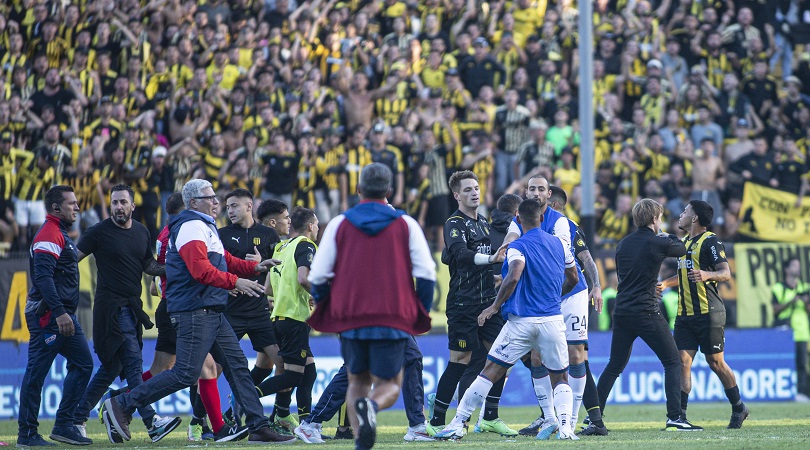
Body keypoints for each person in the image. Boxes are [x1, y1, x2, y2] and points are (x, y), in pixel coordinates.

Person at [101, 179, 295, 444]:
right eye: (210, 197)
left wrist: (254, 269)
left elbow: (224, 259)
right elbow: (200, 270)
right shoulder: (192, 226)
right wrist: (235, 281)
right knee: (185, 373)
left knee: (237, 365)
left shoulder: (203, 225)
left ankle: (258, 425)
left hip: (210, 309)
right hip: (195, 309)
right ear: (194, 202)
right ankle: (122, 403)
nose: (217, 202)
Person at [308, 163, 436, 450]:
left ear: (358, 190)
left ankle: (361, 444)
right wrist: (419, 311)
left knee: (356, 381)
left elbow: (317, 276)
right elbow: (427, 274)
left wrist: (331, 304)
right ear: (389, 190)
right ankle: (372, 407)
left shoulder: (339, 224)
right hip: (392, 316)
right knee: (389, 384)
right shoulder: (406, 224)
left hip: (352, 317)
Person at [433, 198, 580, 440]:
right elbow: (573, 278)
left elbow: (513, 276)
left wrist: (493, 306)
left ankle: (458, 423)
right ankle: (565, 428)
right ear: (542, 218)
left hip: (521, 322)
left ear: (518, 219)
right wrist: (555, 295)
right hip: (552, 321)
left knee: (490, 371)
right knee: (560, 376)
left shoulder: (517, 246)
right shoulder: (559, 244)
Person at [73, 184, 181, 443]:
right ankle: (151, 420)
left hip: (132, 308)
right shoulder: (98, 232)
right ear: (110, 206)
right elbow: (72, 258)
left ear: (133, 205)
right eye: (114, 203)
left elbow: (149, 266)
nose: (118, 207)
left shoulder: (142, 232)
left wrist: (177, 268)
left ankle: (75, 418)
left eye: (123, 202)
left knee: (112, 368)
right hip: (111, 308)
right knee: (133, 363)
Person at [595, 198, 703, 431]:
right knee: (673, 361)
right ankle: (675, 417)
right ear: (655, 219)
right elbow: (681, 249)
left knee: (614, 365)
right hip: (645, 311)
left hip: (622, 311)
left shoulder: (623, 243)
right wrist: (665, 234)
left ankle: (594, 417)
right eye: (660, 218)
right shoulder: (657, 241)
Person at [427, 170, 514, 437]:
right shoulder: (454, 223)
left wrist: (496, 275)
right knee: (460, 360)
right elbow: (461, 254)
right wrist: (489, 261)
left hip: (487, 303)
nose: (474, 192)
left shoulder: (483, 223)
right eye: (467, 189)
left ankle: (489, 417)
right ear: (456, 195)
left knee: (503, 356)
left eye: (476, 187)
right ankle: (437, 421)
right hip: (463, 304)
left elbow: (453, 256)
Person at [658, 200, 749, 428]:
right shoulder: (684, 243)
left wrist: (708, 275)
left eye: (686, 211)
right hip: (685, 315)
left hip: (709, 312)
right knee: (682, 362)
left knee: (715, 363)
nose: (681, 214)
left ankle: (738, 407)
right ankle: (680, 416)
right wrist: (665, 284)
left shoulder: (711, 241)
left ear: (695, 217)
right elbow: (685, 276)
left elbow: (726, 273)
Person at [17, 185, 94, 447]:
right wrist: (60, 312)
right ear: (55, 209)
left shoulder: (58, 233)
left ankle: (63, 425)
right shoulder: (49, 233)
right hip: (49, 315)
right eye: (71, 203)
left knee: (83, 363)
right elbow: (43, 277)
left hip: (61, 314)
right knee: (37, 373)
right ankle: (26, 434)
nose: (77, 207)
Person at [149, 193, 218, 442]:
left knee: (165, 369)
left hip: (173, 306)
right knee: (204, 368)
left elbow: (155, 281)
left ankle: (116, 401)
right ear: (186, 210)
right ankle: (209, 426)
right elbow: (192, 269)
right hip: (182, 308)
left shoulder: (164, 234)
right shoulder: (182, 232)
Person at [218, 189, 285, 428]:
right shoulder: (221, 235)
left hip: (259, 312)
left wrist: (264, 280)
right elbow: (214, 269)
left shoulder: (268, 235)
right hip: (230, 312)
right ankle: (199, 421)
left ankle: (279, 416)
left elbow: (279, 269)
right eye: (227, 207)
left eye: (234, 205)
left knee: (284, 366)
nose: (230, 211)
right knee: (211, 370)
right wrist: (225, 287)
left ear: (249, 206)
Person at [294, 335, 434, 443]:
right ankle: (311, 423)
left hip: (386, 313)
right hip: (372, 312)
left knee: (411, 357)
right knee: (355, 369)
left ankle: (416, 424)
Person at [255, 207, 319, 429]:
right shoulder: (306, 245)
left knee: (309, 372)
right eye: (317, 224)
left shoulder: (280, 247)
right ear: (310, 226)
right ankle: (249, 395)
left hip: (278, 318)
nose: (318, 228)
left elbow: (268, 289)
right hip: (294, 319)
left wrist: (299, 292)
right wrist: (317, 295)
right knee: (293, 377)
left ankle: (307, 425)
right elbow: (303, 278)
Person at [771, 258, 810, 401]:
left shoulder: (805, 287)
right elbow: (774, 309)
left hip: (801, 331)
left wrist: (806, 303)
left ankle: (801, 393)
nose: (797, 269)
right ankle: (784, 391)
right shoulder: (778, 288)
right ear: (786, 269)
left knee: (801, 364)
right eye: (794, 265)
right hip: (784, 332)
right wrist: (791, 301)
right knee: (784, 363)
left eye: (799, 266)